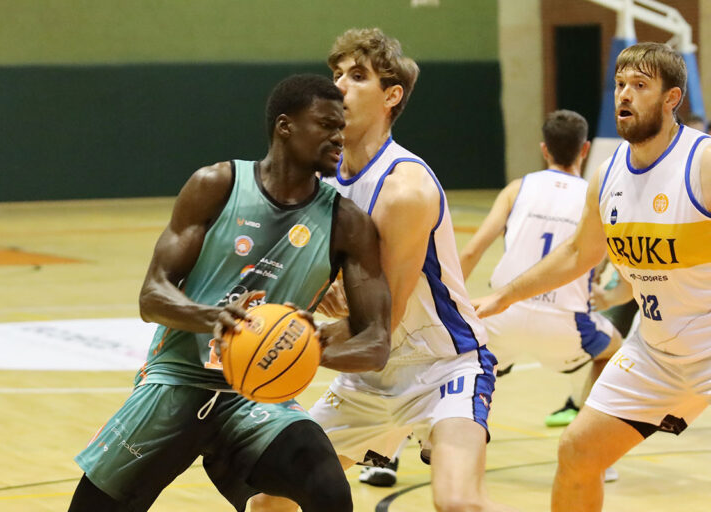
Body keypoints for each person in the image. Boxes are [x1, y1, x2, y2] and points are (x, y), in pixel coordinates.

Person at [67, 74, 392, 512]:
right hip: (177, 379)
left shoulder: (346, 222)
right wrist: (211, 318)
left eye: (342, 126)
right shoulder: (215, 185)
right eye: (326, 125)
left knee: (328, 488)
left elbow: (376, 340)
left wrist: (309, 352)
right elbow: (152, 296)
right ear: (285, 126)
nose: (340, 136)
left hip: (256, 395)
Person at [252, 28, 516, 512]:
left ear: (391, 96)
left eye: (357, 77)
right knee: (270, 503)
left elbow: (381, 323)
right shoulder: (320, 179)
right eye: (335, 76)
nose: (339, 87)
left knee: (458, 502)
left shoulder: (404, 189)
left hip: (441, 366)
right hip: (367, 379)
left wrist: (286, 345)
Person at [473, 42, 711, 512]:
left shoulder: (701, 162)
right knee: (578, 452)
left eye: (640, 86)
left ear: (671, 98)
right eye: (620, 85)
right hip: (656, 351)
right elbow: (578, 253)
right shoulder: (608, 174)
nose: (625, 95)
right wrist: (506, 295)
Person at [458, 110, 621, 431]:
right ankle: (591, 446)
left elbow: (472, 250)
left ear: (544, 149)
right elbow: (613, 264)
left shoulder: (517, 189)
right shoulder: (597, 198)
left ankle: (403, 450)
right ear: (584, 149)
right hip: (566, 326)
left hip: (502, 313)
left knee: (452, 367)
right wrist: (607, 295)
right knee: (613, 352)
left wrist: (447, 304)